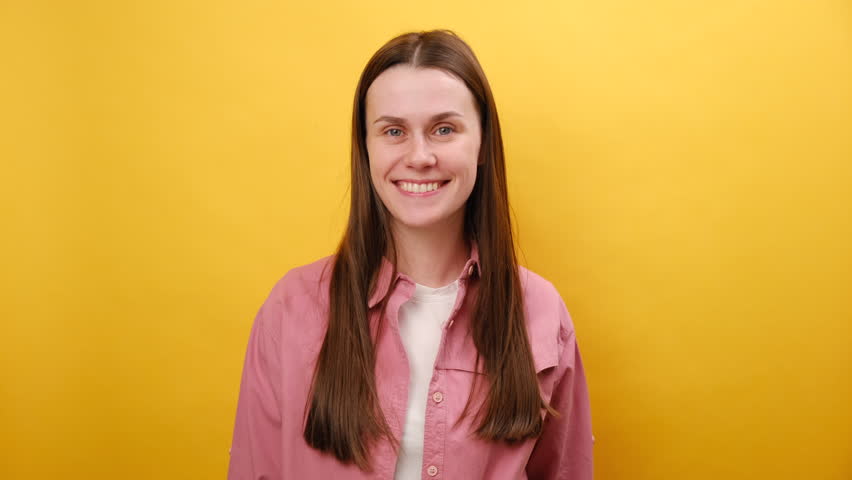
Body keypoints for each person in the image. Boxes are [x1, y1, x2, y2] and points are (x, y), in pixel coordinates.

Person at [227, 29, 594, 479]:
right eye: (394, 131)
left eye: (444, 129)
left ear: (482, 144)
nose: (419, 156)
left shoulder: (540, 313)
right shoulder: (289, 311)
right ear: (366, 148)